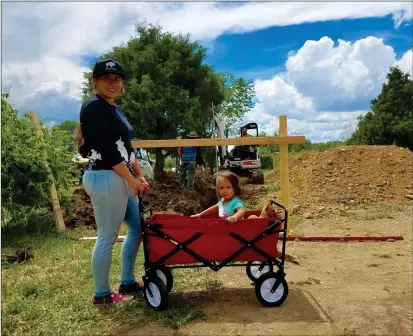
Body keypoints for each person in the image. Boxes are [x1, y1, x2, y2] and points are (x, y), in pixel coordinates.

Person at [75, 59, 149, 305]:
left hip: (120, 176)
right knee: (107, 236)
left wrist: (138, 176)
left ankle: (127, 280)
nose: (112, 82)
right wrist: (131, 180)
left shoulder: (114, 109)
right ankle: (102, 294)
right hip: (106, 176)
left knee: (138, 228)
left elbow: (126, 148)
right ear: (94, 81)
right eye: (106, 78)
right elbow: (109, 151)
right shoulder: (94, 107)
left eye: (117, 78)